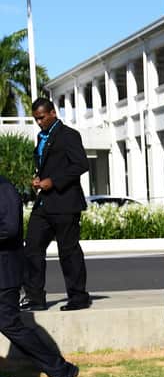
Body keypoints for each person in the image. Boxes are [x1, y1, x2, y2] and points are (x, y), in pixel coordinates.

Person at [0, 174, 77, 377]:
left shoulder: (4, 188)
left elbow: (10, 228)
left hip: (5, 272)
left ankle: (62, 370)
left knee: (9, 324)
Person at [21, 98, 91, 312]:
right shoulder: (41, 137)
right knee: (32, 247)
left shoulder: (69, 135)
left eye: (41, 117)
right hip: (44, 204)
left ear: (53, 113)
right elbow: (47, 165)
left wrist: (54, 181)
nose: (39, 122)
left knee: (68, 252)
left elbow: (81, 164)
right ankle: (35, 298)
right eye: (35, 119)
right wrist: (39, 179)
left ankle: (78, 297)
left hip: (65, 203)